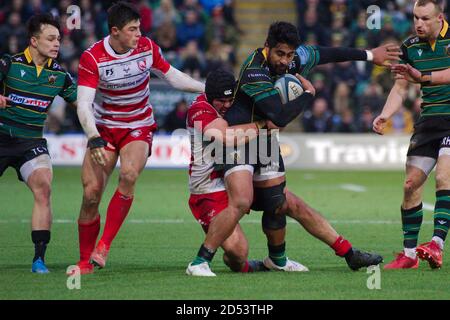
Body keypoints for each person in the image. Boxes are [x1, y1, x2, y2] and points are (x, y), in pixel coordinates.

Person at [187, 21, 397, 275]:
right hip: (242, 138)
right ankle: (201, 261)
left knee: (280, 202)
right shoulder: (254, 72)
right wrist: (308, 94)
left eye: (289, 55)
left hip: (264, 140)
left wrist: (369, 55)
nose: (285, 61)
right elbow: (279, 117)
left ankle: (290, 258)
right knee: (242, 201)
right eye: (280, 54)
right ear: (267, 47)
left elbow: (323, 53)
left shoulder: (294, 58)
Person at [72, 2, 205, 275]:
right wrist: (94, 137)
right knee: (90, 194)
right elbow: (84, 104)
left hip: (138, 125)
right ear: (115, 31)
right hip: (105, 129)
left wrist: (207, 88)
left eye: (139, 28)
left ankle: (104, 246)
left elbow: (173, 77)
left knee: (129, 174)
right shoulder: (93, 57)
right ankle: (84, 261)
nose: (138, 34)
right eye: (132, 29)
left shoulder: (146, 47)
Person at [373, 0, 450, 269]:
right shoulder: (409, 47)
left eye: (426, 18)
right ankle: (409, 255)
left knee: (444, 175)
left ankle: (437, 245)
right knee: (410, 185)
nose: (419, 23)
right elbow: (400, 87)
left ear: (440, 18)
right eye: (416, 17)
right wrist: (386, 113)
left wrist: (423, 77)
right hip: (429, 121)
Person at [0, 14, 77, 273]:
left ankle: (39, 259)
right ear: (34, 41)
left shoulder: (60, 75)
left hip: (30, 140)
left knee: (43, 186)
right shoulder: (9, 64)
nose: (57, 44)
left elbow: (83, 105)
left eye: (59, 39)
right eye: (51, 38)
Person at [186, 69, 272, 276]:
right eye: (220, 101)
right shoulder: (199, 110)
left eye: (229, 100)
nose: (226, 105)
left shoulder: (228, 107)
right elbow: (227, 137)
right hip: (206, 188)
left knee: (278, 198)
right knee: (238, 251)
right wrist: (262, 124)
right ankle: (200, 263)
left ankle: (273, 258)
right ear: (209, 96)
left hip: (227, 178)